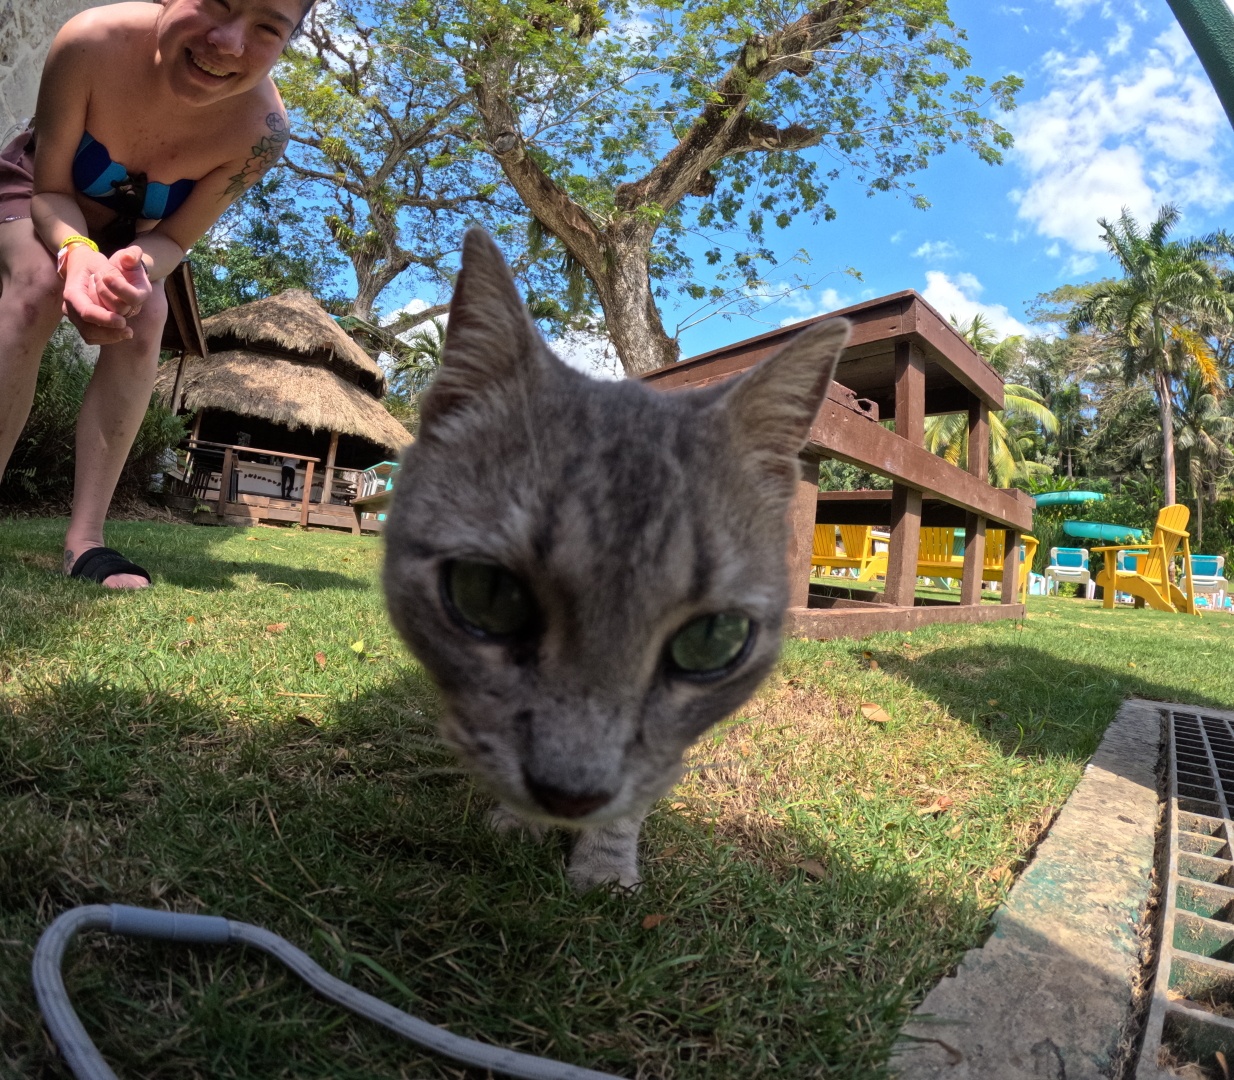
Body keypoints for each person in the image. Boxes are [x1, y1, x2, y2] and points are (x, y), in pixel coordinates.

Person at [0, 0, 314, 588]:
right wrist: (77, 256)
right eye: (216, 4)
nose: (227, 42)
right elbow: (50, 192)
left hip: (136, 234)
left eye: (268, 28)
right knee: (37, 289)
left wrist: (127, 271)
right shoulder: (88, 42)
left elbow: (172, 238)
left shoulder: (261, 136)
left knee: (146, 319)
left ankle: (86, 541)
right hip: (42, 195)